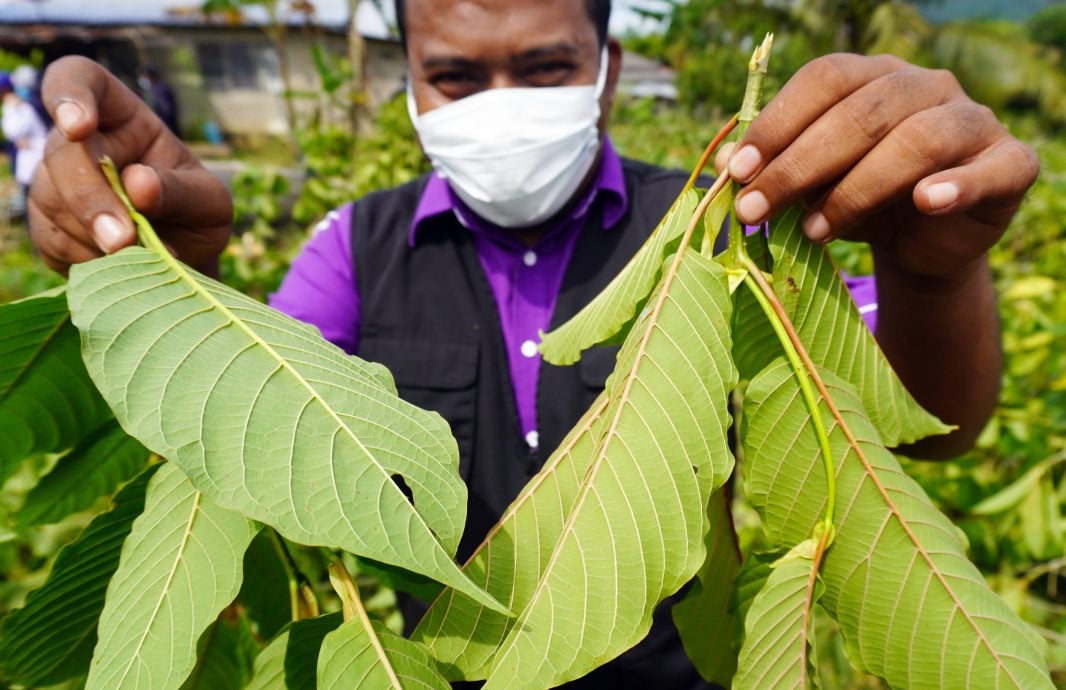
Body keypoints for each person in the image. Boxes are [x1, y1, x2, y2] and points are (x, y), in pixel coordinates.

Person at [26, 0, 1037, 686]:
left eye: (544, 66)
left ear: (603, 76)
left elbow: (912, 427)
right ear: (409, 87)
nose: (500, 102)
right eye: (456, 74)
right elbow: (257, 437)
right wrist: (165, 277)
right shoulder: (355, 245)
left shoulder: (730, 228)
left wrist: (928, 267)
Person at [2, 65, 48, 218]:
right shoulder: (25, 103)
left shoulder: (23, 106)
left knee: (37, 204)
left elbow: (13, 131)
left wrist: (11, 108)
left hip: (36, 161)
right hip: (29, 160)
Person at [137, 65, 179, 136]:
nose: (142, 79)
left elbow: (166, 110)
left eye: (144, 76)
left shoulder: (160, 90)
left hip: (166, 129)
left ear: (151, 76)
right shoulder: (155, 89)